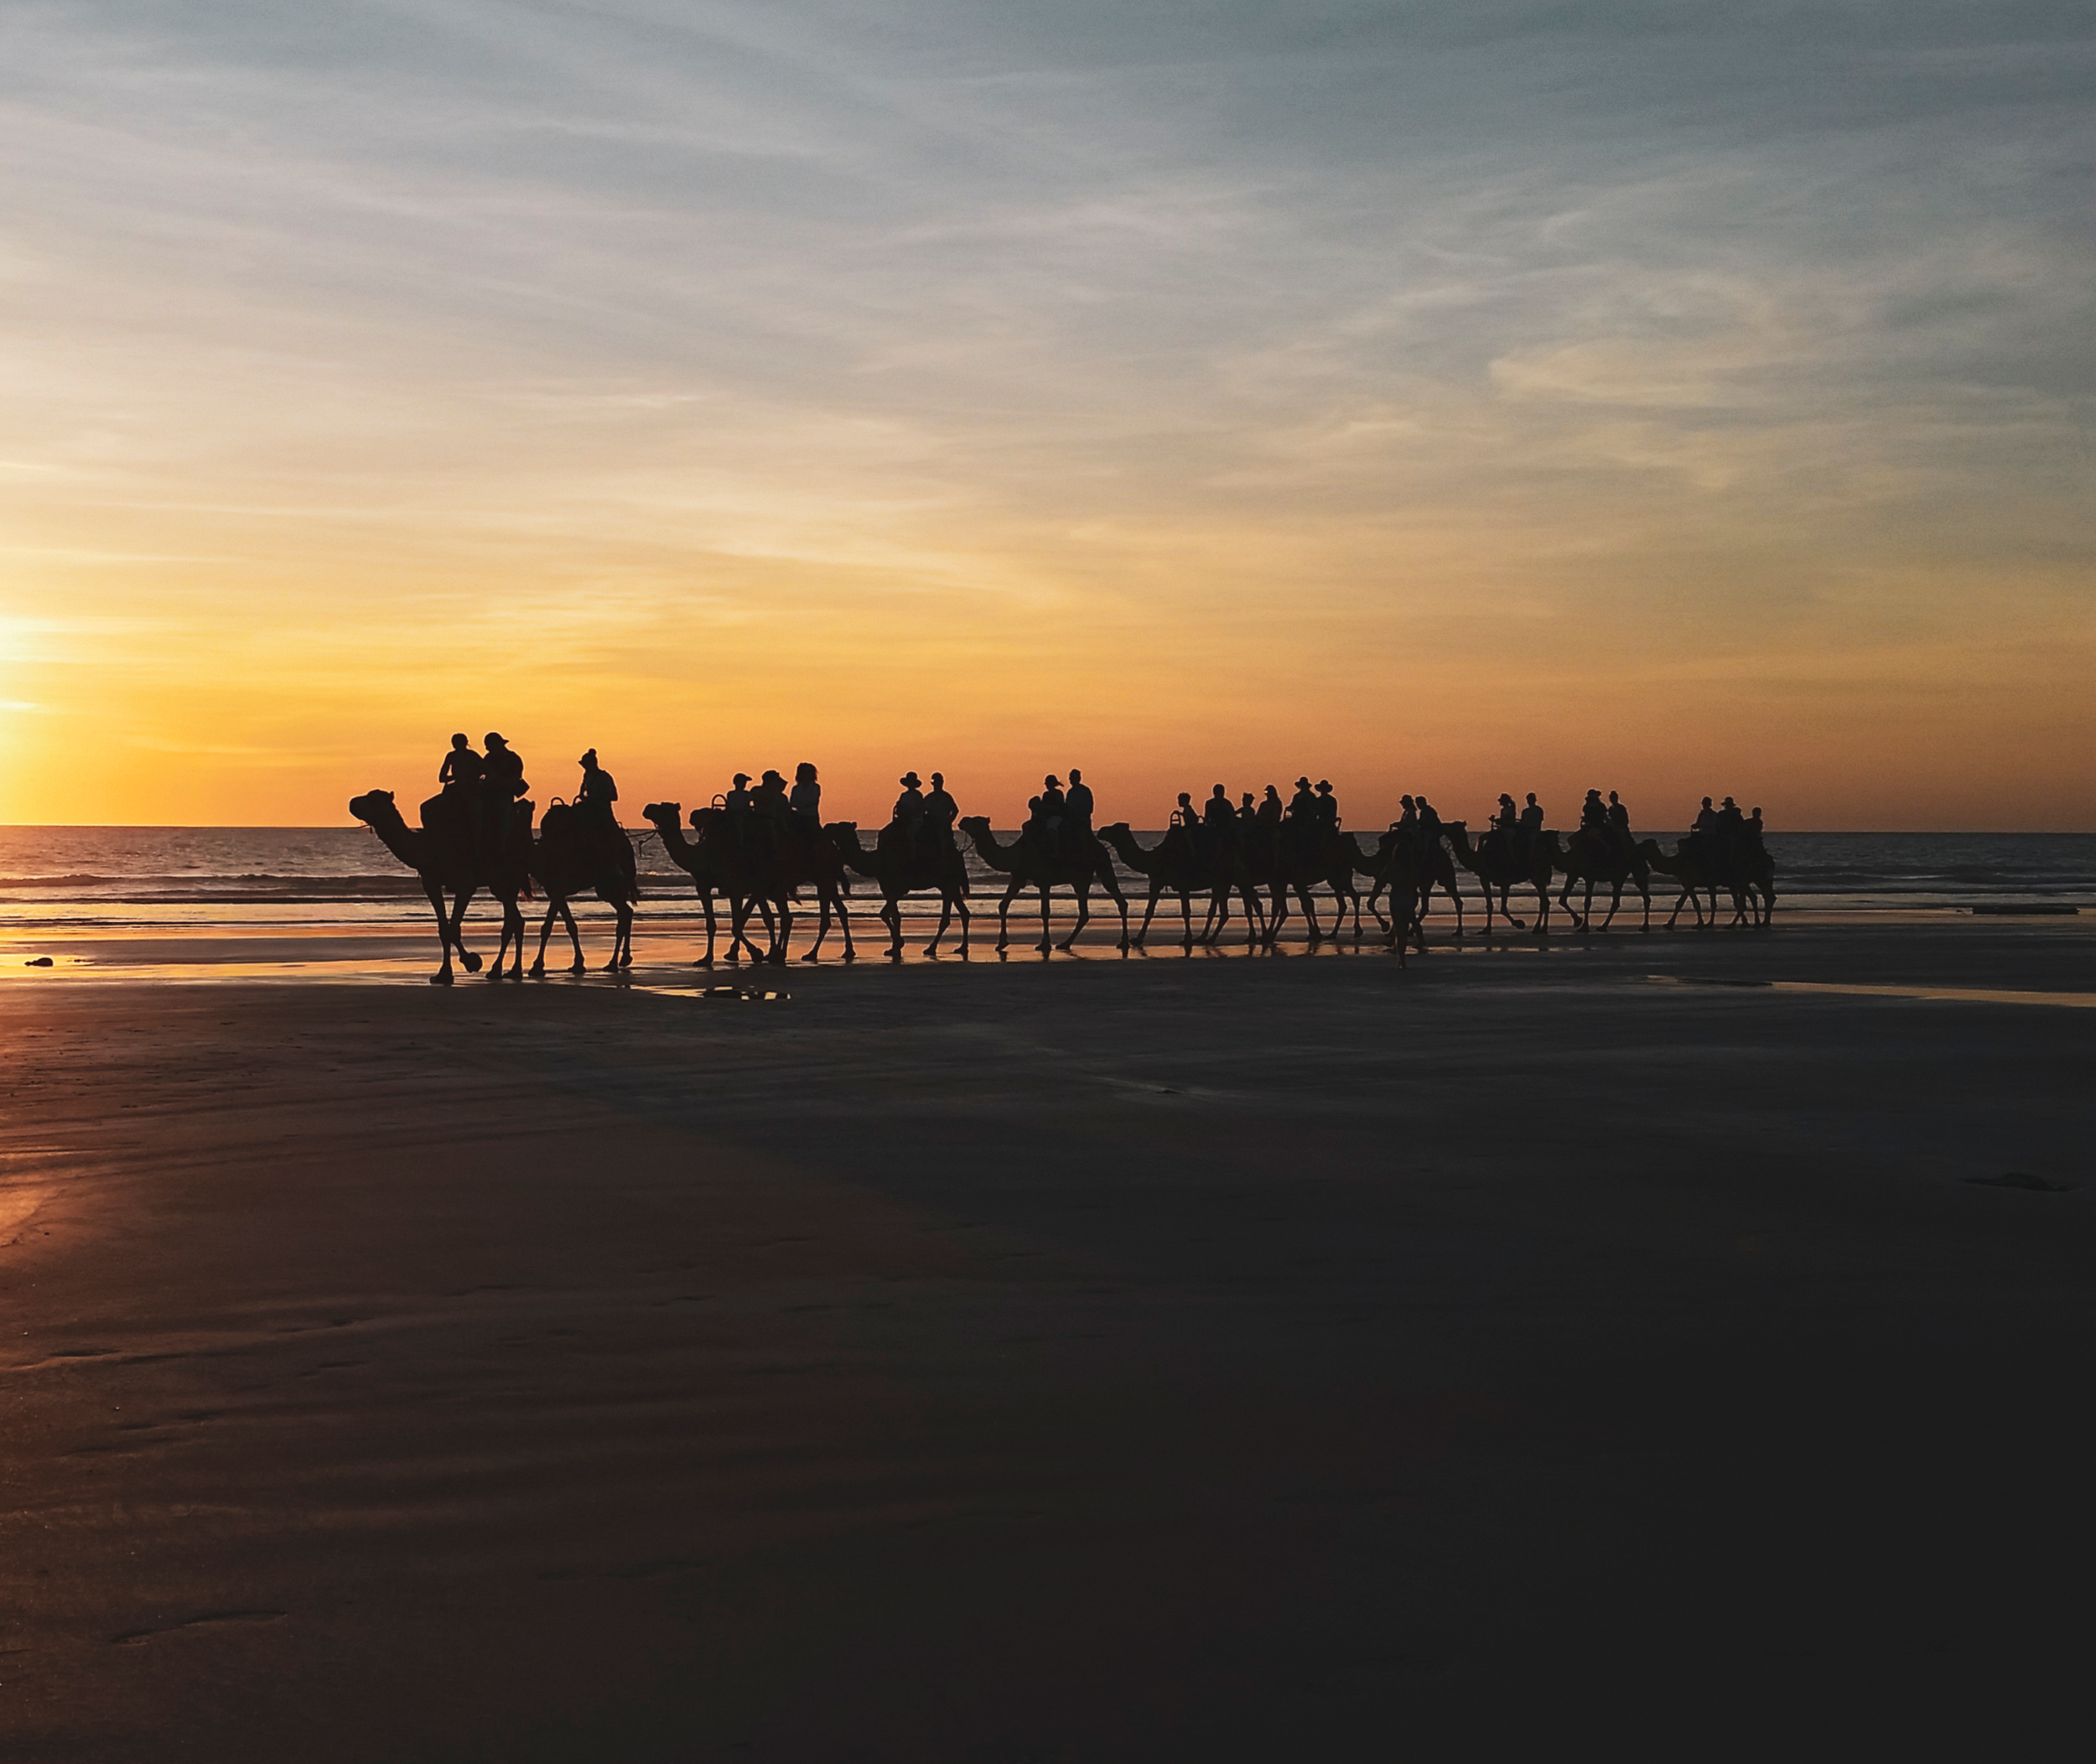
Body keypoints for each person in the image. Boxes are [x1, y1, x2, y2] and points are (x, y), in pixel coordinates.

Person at [577, 748, 636, 885]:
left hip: (602, 811)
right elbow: (582, 791)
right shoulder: (587, 776)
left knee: (611, 836)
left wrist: (597, 798)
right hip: (588, 811)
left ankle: (615, 864)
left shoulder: (604, 777)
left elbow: (614, 796)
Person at [480, 733, 526, 855]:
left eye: (490, 746)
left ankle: (502, 846)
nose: (488, 749)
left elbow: (514, 780)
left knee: (503, 815)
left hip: (504, 794)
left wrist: (496, 779)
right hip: (487, 795)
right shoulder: (488, 758)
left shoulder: (513, 759)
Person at [923, 772, 957, 850]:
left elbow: (955, 810)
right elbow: (922, 811)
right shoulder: (928, 797)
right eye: (936, 782)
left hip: (943, 825)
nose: (938, 784)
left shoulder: (946, 797)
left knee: (943, 840)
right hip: (930, 825)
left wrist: (949, 821)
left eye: (939, 782)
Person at [789, 762, 822, 832]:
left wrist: (800, 804)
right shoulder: (796, 788)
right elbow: (792, 803)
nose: (807, 774)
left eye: (809, 772)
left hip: (811, 817)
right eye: (804, 772)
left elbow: (812, 801)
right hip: (798, 817)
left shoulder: (815, 787)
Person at [1065, 768, 1095, 833]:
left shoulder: (1085, 791)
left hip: (1082, 820)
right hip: (1071, 820)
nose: (1072, 780)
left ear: (1079, 779)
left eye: (1074, 778)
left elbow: (1089, 808)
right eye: (1071, 778)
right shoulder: (1070, 792)